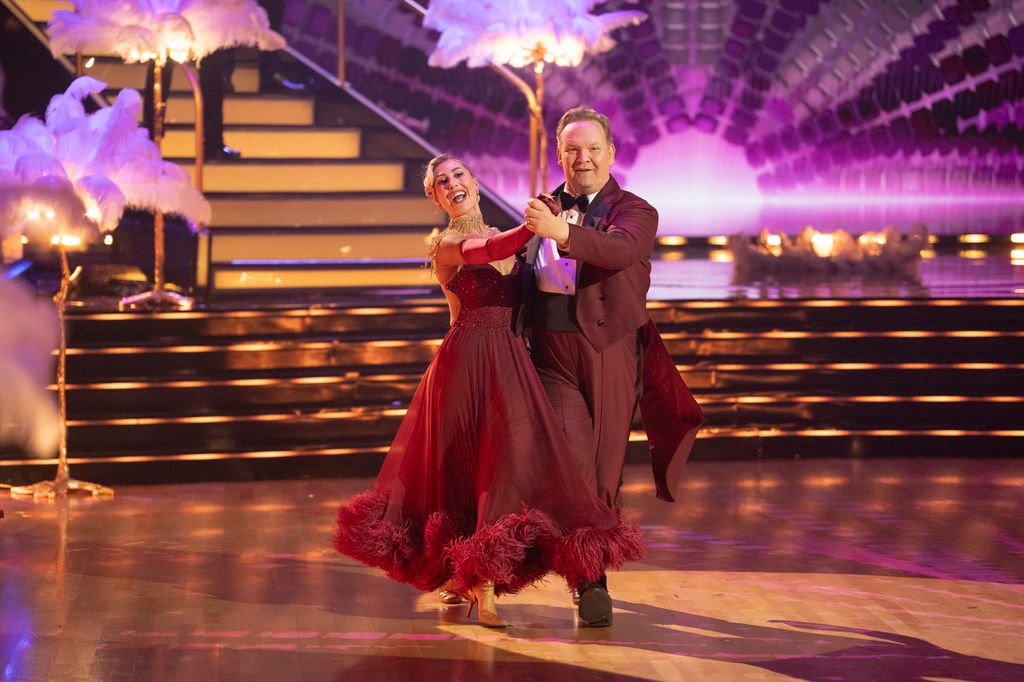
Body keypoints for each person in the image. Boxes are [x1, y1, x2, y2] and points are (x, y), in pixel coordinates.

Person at [333, 154, 644, 628]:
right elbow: (486, 250)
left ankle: (480, 574)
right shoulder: (447, 243)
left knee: (501, 466)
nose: (452, 183)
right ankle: (469, 581)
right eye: (441, 181)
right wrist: (535, 225)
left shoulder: (513, 242)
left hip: (509, 362)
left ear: (474, 183)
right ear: (434, 197)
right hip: (464, 363)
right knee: (461, 470)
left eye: (458, 174)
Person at [522, 107, 703, 625]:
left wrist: (561, 231)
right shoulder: (545, 207)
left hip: (607, 352)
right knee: (574, 464)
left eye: (592, 148)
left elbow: (621, 251)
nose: (582, 158)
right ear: (558, 155)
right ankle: (588, 579)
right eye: (571, 149)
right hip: (551, 353)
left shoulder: (635, 209)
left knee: (603, 471)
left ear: (610, 154)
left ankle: (590, 570)